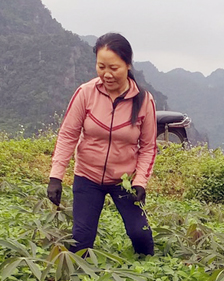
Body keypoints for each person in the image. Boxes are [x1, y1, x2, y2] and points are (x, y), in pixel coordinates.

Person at [46, 32, 157, 255]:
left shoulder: (144, 101)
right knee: (81, 242)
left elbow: (148, 147)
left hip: (123, 180)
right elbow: (68, 135)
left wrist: (140, 182)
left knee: (140, 234)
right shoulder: (85, 93)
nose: (107, 74)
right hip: (87, 176)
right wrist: (56, 177)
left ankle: (151, 276)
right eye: (101, 67)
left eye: (113, 68)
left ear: (127, 65)